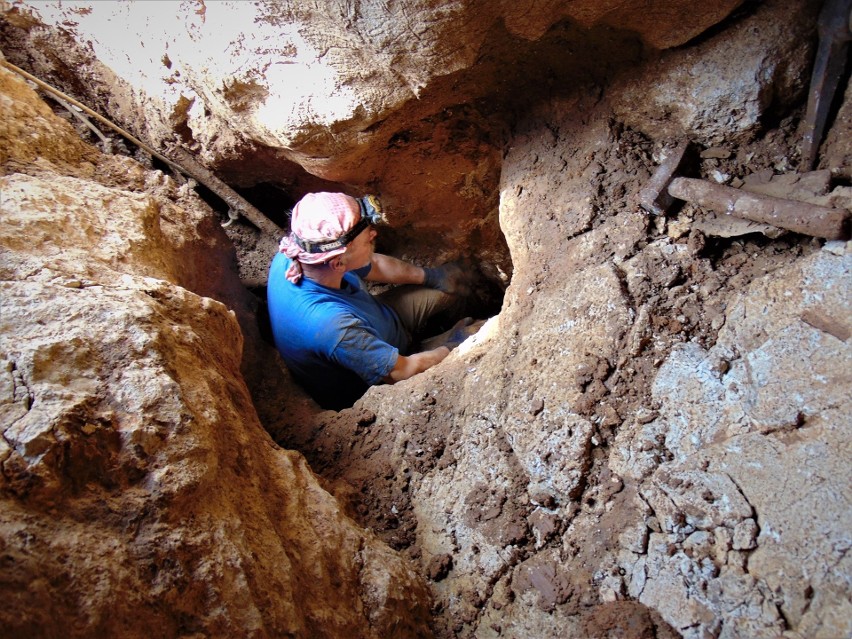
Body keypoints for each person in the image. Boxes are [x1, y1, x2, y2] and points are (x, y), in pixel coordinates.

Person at [267, 191, 481, 410]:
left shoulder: (298, 254)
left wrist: (431, 276)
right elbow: (402, 371)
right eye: (365, 238)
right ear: (338, 263)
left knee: (455, 290)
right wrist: (453, 346)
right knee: (479, 335)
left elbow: (374, 264)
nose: (373, 234)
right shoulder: (333, 328)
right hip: (384, 369)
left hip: (380, 319)